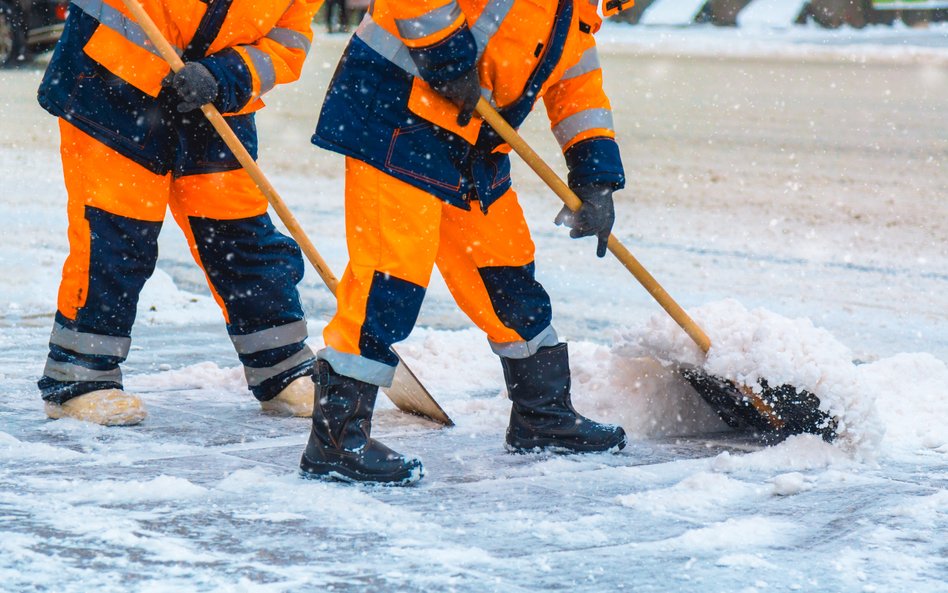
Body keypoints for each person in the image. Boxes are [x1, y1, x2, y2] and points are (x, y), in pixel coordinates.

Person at [301, 0, 634, 485]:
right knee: (389, 277)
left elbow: (576, 83)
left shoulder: (583, 8)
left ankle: (541, 416)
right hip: (396, 111)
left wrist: (595, 174)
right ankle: (335, 442)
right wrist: (447, 56)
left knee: (506, 271)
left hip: (472, 135)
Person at [36, 0, 324, 426]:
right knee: (116, 239)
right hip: (111, 86)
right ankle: (80, 379)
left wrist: (226, 75)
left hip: (214, 102)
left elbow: (286, 43)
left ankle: (282, 370)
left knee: (241, 236)